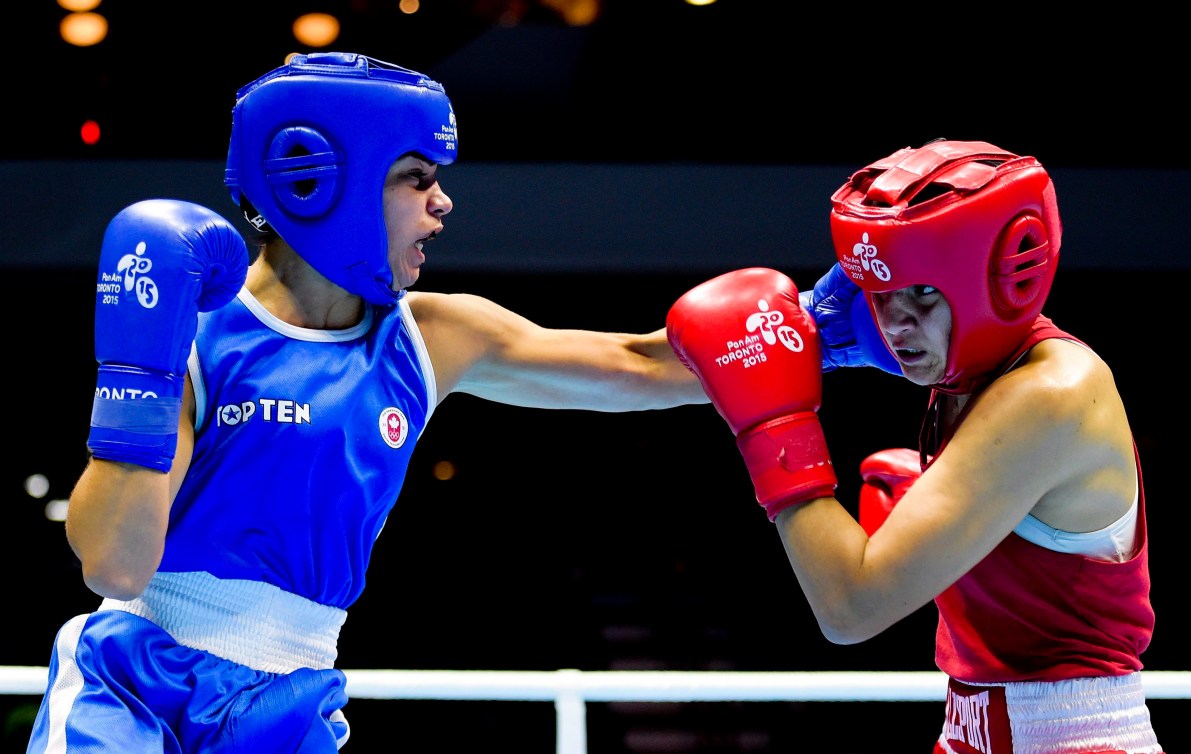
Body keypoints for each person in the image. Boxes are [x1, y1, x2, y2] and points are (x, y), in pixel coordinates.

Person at [23, 51, 737, 753]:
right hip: (133, 683)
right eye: (415, 178)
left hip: (291, 696)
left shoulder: (431, 338)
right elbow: (113, 566)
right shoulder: (199, 333)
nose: (442, 201)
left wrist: (813, 332)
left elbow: (636, 363)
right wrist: (141, 373)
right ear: (320, 181)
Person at [667, 139, 1162, 753]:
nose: (894, 322)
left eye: (922, 293)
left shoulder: (1052, 391)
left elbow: (851, 608)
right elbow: (657, 366)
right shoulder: (964, 381)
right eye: (880, 293)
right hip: (971, 731)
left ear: (1003, 277)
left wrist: (773, 418)